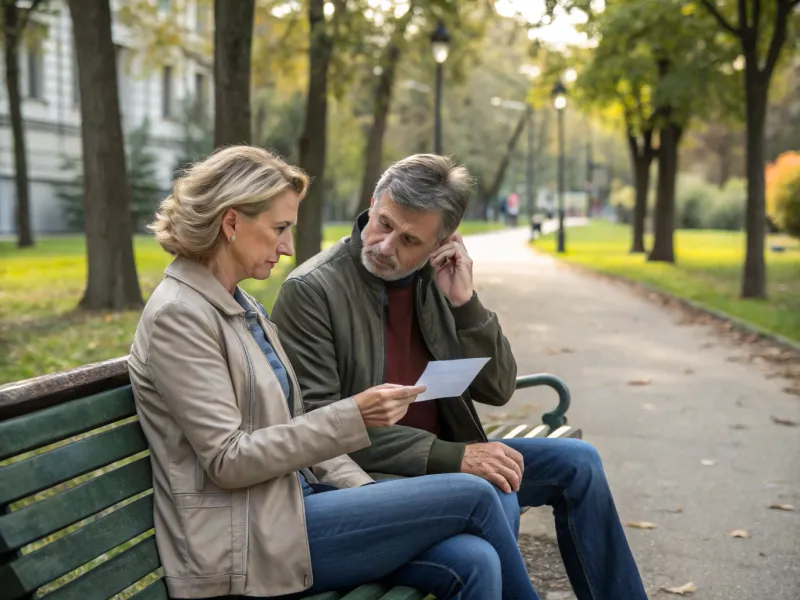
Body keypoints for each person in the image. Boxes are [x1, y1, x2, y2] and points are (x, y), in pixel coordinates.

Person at [128, 146, 539, 600]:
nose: (287, 247)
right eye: (280, 229)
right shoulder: (179, 315)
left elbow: (292, 427)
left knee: (475, 560)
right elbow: (228, 461)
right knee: (476, 494)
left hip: (300, 505)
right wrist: (354, 417)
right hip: (247, 538)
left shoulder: (238, 306)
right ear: (231, 224)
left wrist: (366, 496)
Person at [272, 153, 648, 600]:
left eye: (410, 239)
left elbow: (498, 387)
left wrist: (466, 303)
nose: (387, 246)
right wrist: (454, 458)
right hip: (378, 476)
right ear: (373, 202)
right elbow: (320, 424)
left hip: (453, 456)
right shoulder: (312, 291)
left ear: (441, 243)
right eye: (384, 223)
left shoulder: (437, 278)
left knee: (579, 462)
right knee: (493, 495)